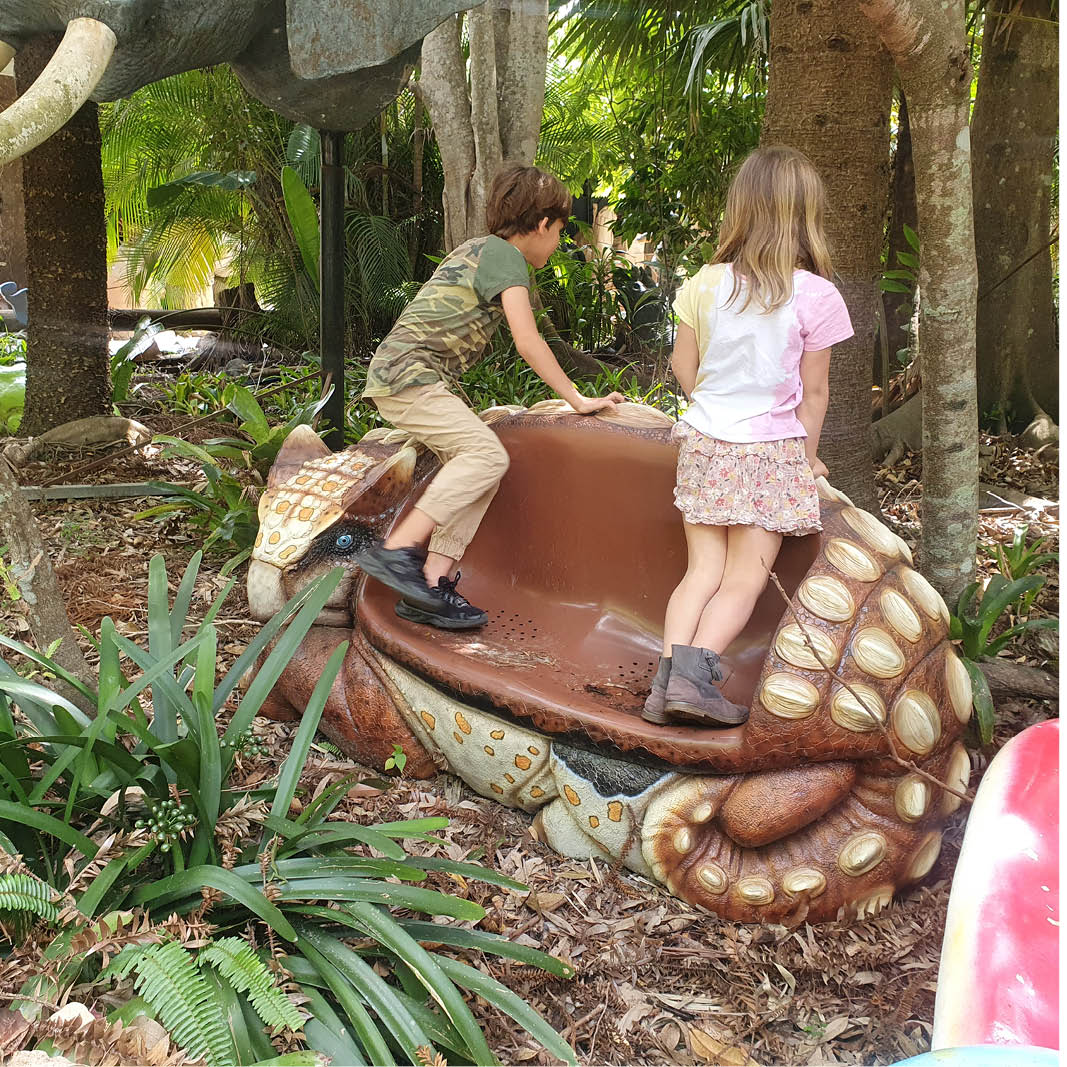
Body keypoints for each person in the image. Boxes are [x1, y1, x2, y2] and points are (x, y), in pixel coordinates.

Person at [356, 163, 623, 630]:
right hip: (409, 376)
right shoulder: (505, 257)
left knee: (483, 470)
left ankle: (432, 586)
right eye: (559, 230)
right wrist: (578, 399)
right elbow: (529, 341)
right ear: (541, 224)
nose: (559, 242)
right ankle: (398, 554)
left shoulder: (478, 250)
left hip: (407, 376)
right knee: (486, 456)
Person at [643, 145, 854, 728]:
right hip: (769, 452)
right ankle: (695, 681)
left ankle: (663, 689)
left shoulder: (704, 283)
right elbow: (814, 396)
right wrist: (807, 461)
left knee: (699, 574)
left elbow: (682, 368)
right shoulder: (817, 295)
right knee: (742, 580)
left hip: (705, 443)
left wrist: (715, 404)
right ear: (805, 214)